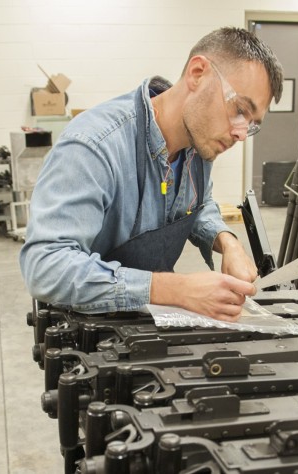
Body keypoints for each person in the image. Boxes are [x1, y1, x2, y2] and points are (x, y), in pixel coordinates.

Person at [19, 26, 283, 322]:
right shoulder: (94, 145)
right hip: (89, 327)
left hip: (147, 320)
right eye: (239, 110)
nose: (240, 133)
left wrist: (226, 242)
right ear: (198, 73)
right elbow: (46, 267)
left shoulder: (198, 143)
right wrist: (177, 289)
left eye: (251, 123)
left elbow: (197, 203)